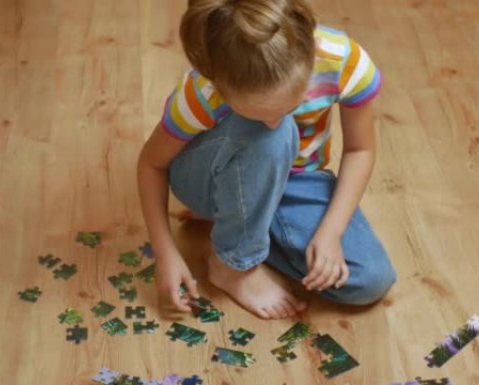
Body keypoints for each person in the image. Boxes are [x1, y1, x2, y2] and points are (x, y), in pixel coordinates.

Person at [137, 0, 396, 320]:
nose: (274, 121)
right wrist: (166, 253)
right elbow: (152, 164)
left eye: (288, 108)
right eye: (256, 114)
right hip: (212, 177)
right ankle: (231, 267)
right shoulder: (203, 91)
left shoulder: (344, 61)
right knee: (270, 137)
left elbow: (360, 150)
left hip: (298, 180)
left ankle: (237, 230)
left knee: (370, 279)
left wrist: (330, 233)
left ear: (311, 53)